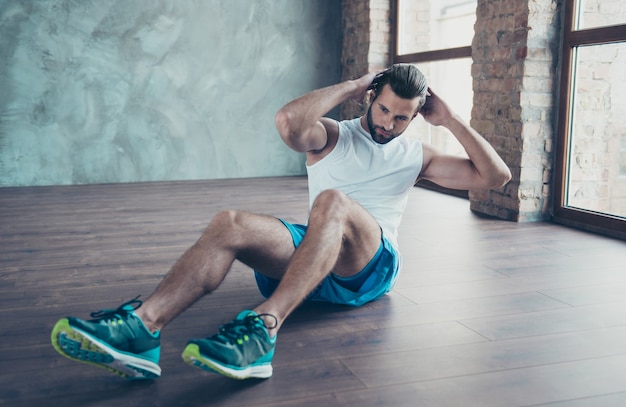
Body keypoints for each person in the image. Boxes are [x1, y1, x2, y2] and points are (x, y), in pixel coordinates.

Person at [50, 64, 511, 380]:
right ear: (371, 98)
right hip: (314, 254)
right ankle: (142, 330)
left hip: (369, 267)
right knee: (229, 222)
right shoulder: (332, 136)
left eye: (402, 118)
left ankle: (262, 332)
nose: (388, 124)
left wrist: (449, 121)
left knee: (333, 201)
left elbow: (495, 176)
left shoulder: (418, 155)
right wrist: (352, 85)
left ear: (416, 117)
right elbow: (289, 120)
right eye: (384, 109)